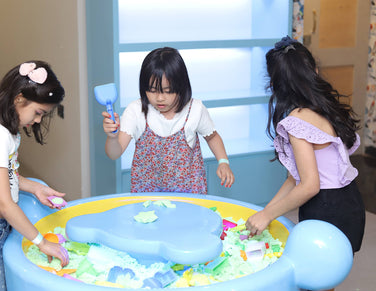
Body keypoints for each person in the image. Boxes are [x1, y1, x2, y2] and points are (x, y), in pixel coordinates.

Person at [245, 36, 366, 257]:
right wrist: (266, 212)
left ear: (274, 84)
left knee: (316, 277)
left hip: (326, 208)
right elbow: (296, 178)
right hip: (349, 203)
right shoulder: (327, 110)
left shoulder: (297, 120)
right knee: (325, 275)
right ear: (314, 71)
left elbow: (309, 186)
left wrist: (267, 214)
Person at [0, 61, 69, 291]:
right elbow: (4, 203)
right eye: (38, 113)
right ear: (19, 98)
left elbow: (7, 175)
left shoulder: (1, 123)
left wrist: (35, 188)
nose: (38, 120)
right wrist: (41, 242)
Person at [102, 47, 234, 194]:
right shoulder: (136, 111)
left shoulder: (195, 109)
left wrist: (223, 162)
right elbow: (114, 154)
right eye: (152, 90)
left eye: (168, 91)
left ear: (181, 86)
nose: (160, 98)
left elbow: (212, 137)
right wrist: (112, 137)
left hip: (188, 195)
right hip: (147, 196)